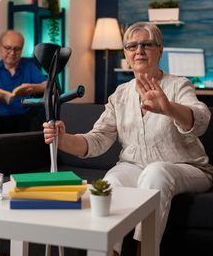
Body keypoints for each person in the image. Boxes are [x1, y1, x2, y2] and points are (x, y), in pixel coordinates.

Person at [43, 22, 213, 256]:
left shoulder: (178, 85)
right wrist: (64, 140)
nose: (139, 50)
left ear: (160, 50)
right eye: (132, 46)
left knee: (156, 172)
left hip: (186, 167)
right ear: (125, 53)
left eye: (147, 44)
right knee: (111, 182)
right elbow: (97, 140)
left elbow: (202, 119)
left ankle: (145, 251)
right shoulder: (120, 94)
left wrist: (168, 108)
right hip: (134, 167)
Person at [0, 30, 47, 135]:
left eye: (17, 49)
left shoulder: (29, 66)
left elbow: (48, 85)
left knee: (41, 109)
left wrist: (34, 88)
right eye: (8, 48)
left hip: (26, 119)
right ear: (0, 46)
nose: (12, 53)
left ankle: (36, 148)